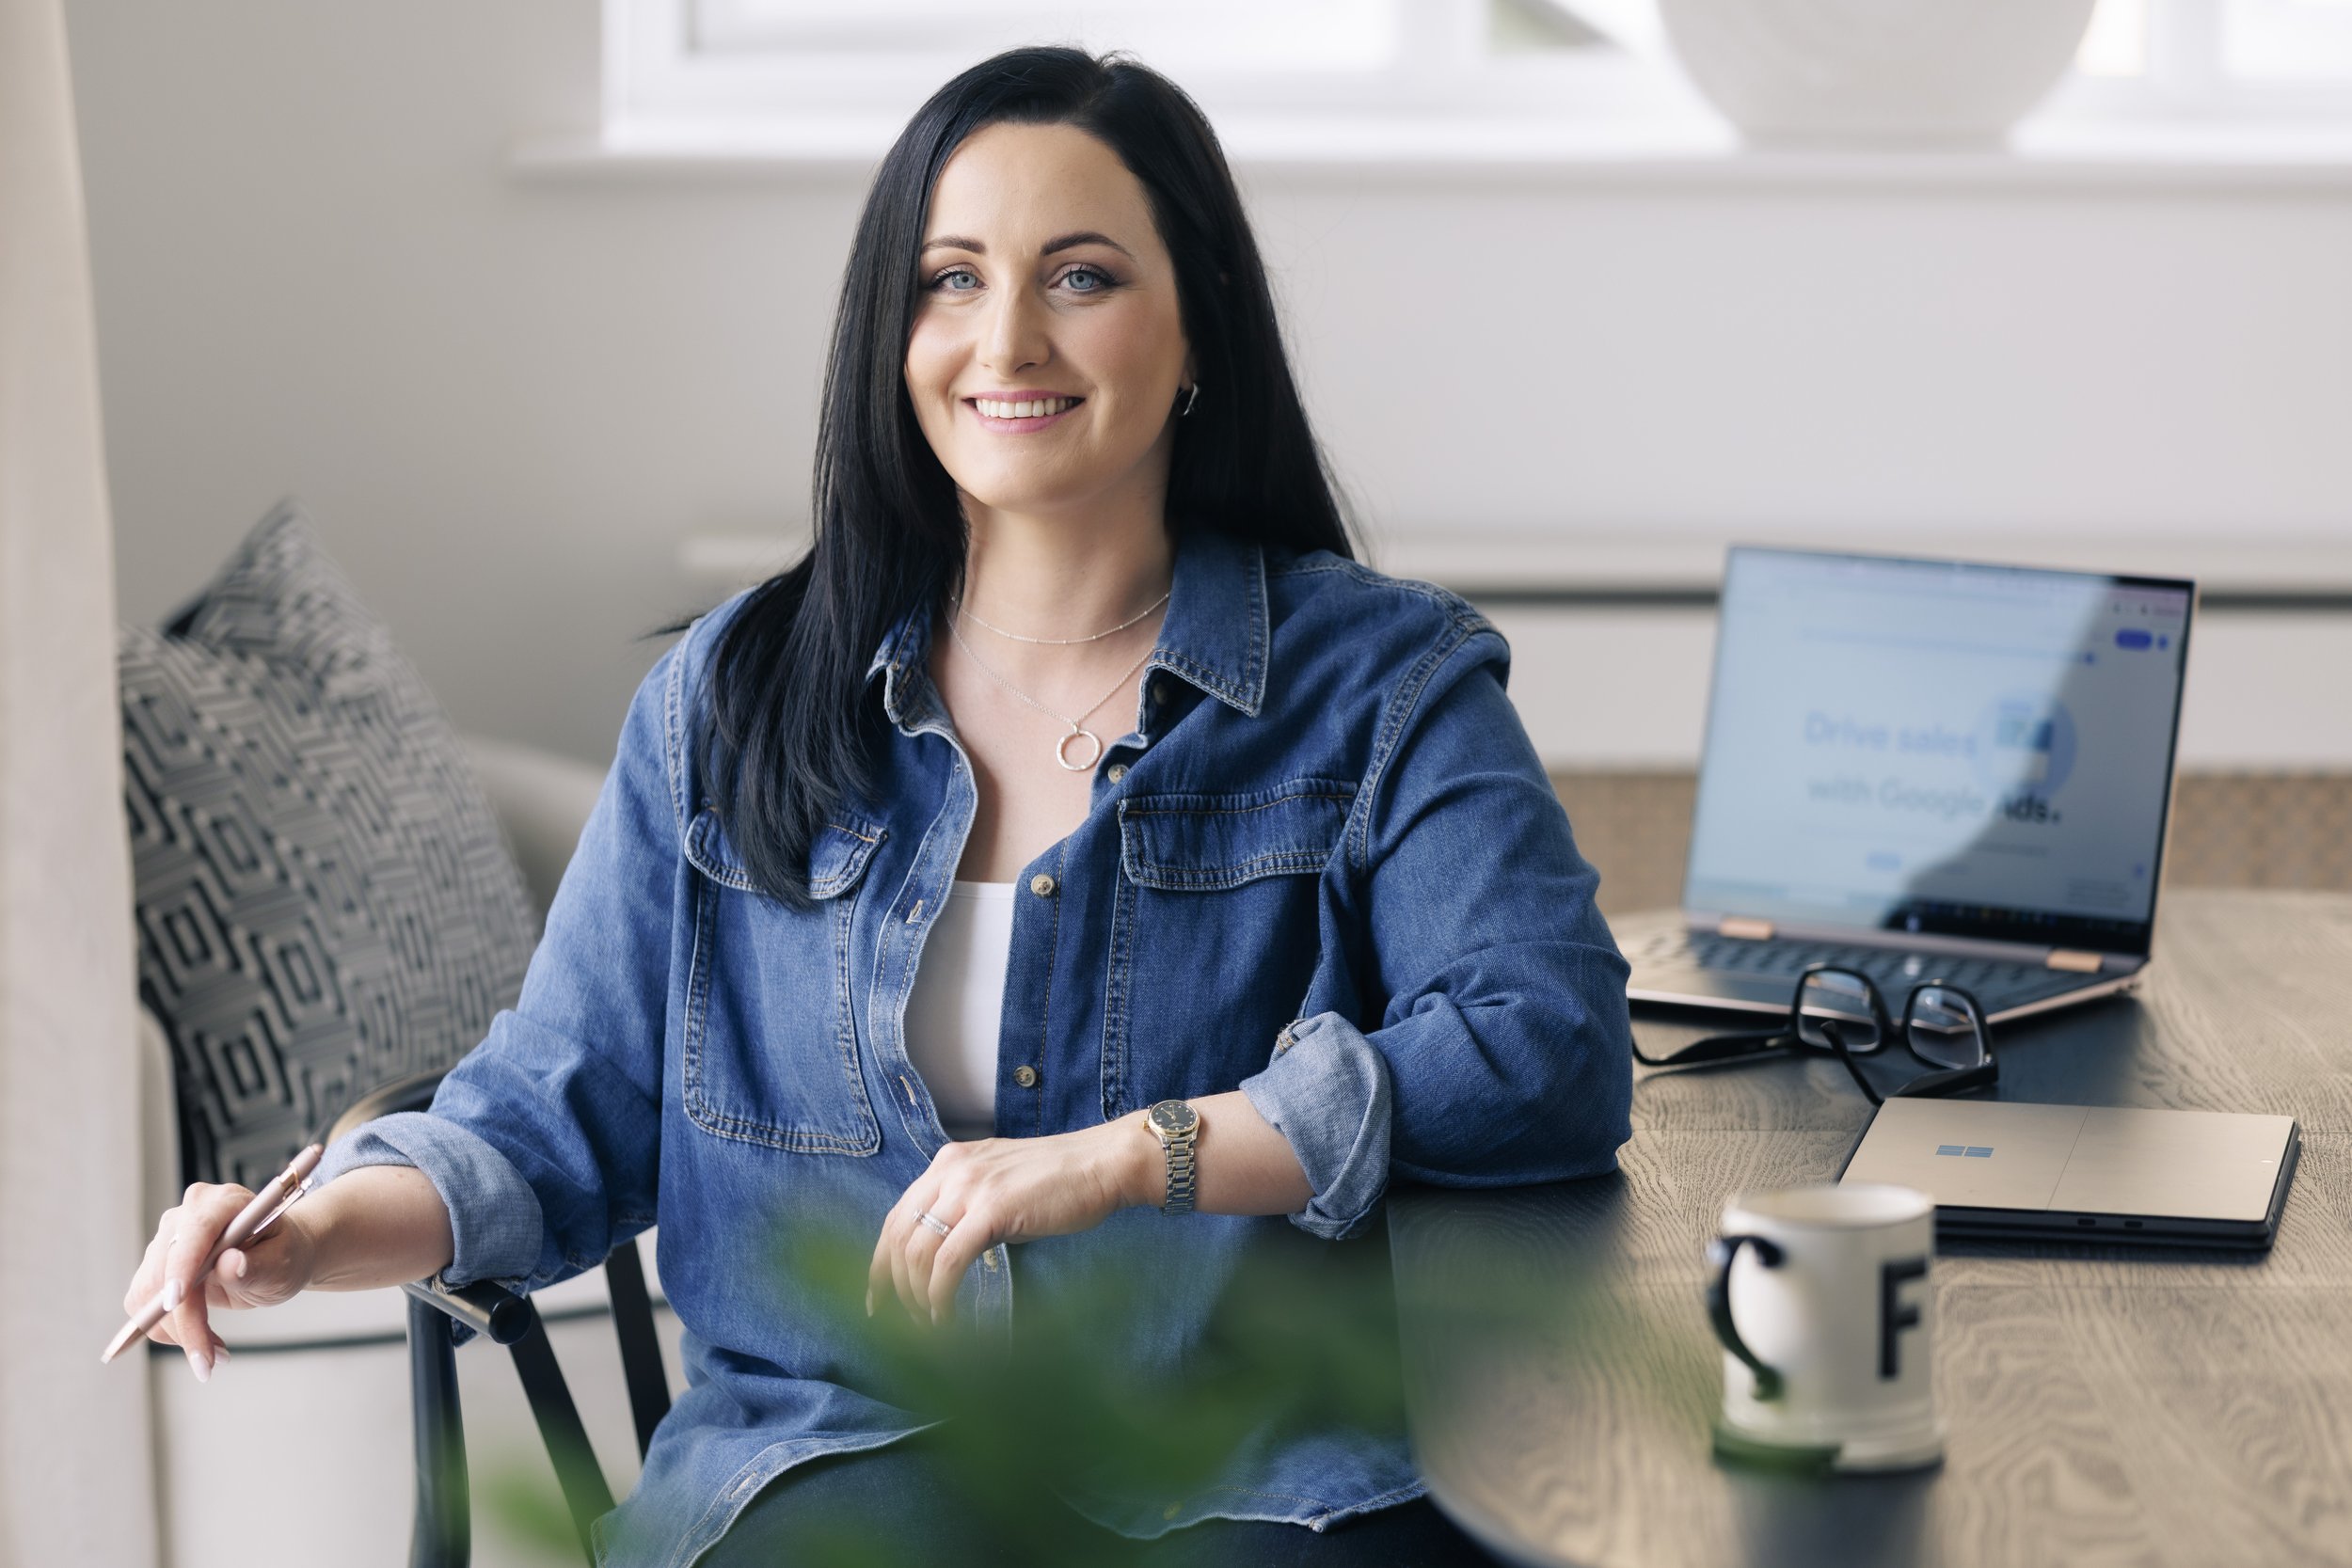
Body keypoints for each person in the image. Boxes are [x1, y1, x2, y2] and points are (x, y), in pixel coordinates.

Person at [120, 45, 1633, 1566]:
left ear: (1198, 333)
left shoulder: (1381, 681)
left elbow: (1543, 1046)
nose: (1010, 339)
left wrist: (1135, 1153)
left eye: (1084, 276)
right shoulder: (731, 699)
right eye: (952, 280)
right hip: (829, 1455)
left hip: (1252, 1466)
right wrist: (304, 1237)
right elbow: (549, 1118)